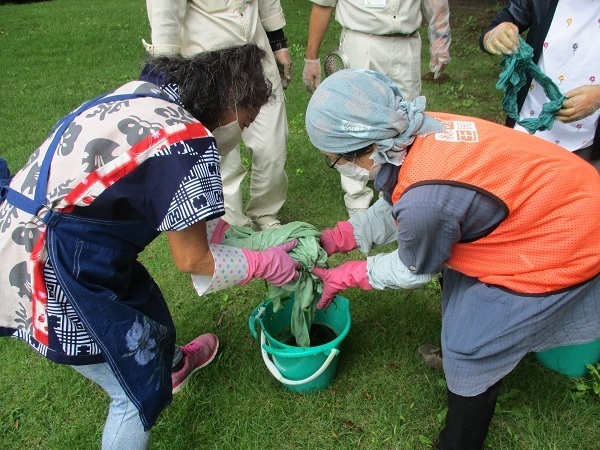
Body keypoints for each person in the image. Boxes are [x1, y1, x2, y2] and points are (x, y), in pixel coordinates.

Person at [0, 44, 300, 450]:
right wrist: (267, 264)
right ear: (229, 108)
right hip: (47, 267)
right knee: (132, 393)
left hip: (20, 227)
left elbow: (186, 215)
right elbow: (193, 258)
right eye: (245, 122)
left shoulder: (146, 93)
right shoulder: (189, 143)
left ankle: (172, 363)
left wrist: (244, 238)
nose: (242, 133)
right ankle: (151, 380)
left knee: (138, 305)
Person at [305, 69, 600, 450]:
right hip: (559, 194)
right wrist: (340, 237)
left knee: (471, 346)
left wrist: (345, 276)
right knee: (461, 279)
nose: (335, 166)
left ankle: (460, 439)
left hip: (569, 235)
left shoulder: (425, 199)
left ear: (357, 151)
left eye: (332, 160)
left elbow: (415, 266)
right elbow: (406, 201)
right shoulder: (415, 130)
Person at [144, 0, 293, 230]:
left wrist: (278, 42)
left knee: (272, 144)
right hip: (207, 62)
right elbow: (165, 11)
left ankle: (265, 213)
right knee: (221, 154)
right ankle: (231, 223)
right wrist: (167, 69)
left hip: (256, 55)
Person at [302, 0, 451, 217]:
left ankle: (402, 192)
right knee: (351, 122)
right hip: (362, 39)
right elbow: (322, 4)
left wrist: (440, 36)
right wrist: (311, 57)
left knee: (403, 121)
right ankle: (357, 201)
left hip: (406, 40)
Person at [480, 0, 600, 171]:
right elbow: (496, 28)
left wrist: (598, 97)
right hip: (528, 132)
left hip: (586, 145)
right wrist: (494, 36)